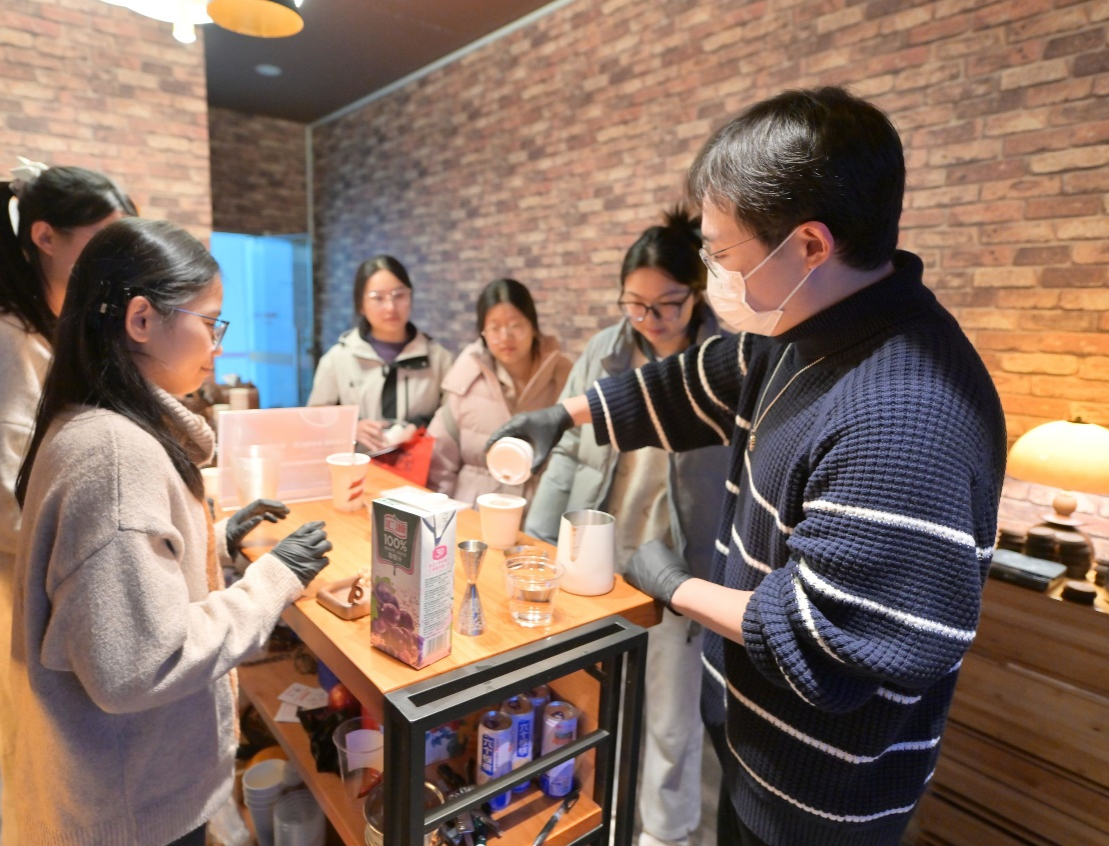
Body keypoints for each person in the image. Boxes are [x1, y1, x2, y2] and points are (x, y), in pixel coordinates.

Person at [490, 87, 1006, 846]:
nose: (714, 276)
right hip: (752, 743)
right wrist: (564, 415)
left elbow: (828, 637)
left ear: (809, 246)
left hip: (823, 798)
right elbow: (695, 381)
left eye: (722, 254)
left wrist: (675, 584)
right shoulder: (803, 330)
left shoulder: (906, 416)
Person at [10, 217, 332, 846]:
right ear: (141, 319)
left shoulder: (91, 425)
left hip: (122, 785)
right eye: (210, 323)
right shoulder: (115, 454)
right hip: (134, 803)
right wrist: (274, 578)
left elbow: (118, 584)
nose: (218, 346)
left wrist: (214, 541)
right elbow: (140, 663)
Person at [0, 159, 136, 845]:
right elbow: (1, 512)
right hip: (28, 605)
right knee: (43, 801)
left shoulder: (42, 332)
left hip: (56, 599)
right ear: (46, 237)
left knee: (75, 797)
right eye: (104, 240)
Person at [524, 209, 726, 846]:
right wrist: (538, 537)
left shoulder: (722, 361)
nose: (650, 319)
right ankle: (601, 817)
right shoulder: (605, 351)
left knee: (670, 716)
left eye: (667, 304)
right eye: (635, 304)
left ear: (697, 292)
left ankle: (665, 834)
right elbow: (567, 450)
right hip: (598, 558)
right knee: (595, 699)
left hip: (678, 563)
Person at [426, 278, 571, 504]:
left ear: (533, 326)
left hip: (542, 512)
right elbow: (439, 464)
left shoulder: (564, 375)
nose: (505, 337)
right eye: (494, 328)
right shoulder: (466, 378)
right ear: (483, 332)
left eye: (515, 326)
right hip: (476, 511)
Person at [308, 255, 453, 453]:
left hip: (420, 466)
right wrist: (350, 427)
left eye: (399, 295)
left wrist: (419, 427)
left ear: (410, 297)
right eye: (378, 298)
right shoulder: (338, 359)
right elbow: (315, 419)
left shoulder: (439, 359)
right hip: (357, 466)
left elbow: (451, 418)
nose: (390, 307)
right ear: (361, 304)